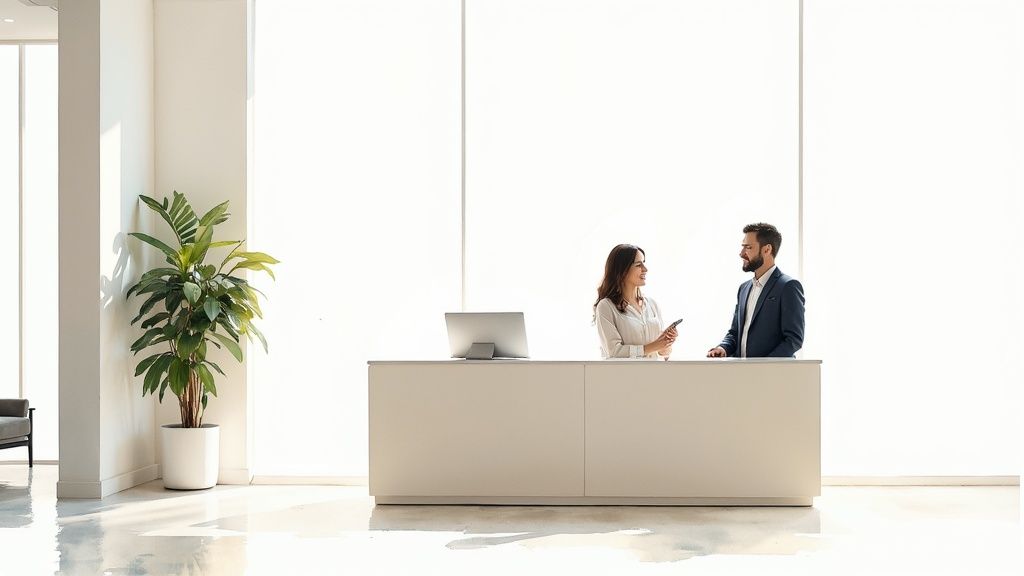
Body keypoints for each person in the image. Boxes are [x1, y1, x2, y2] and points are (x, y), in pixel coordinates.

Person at [707, 223, 805, 358]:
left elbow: (794, 340)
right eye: (743, 247)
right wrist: (723, 348)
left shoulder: (788, 286)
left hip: (772, 375)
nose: (741, 254)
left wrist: (763, 367)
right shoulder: (744, 288)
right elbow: (735, 333)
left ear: (767, 249)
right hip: (741, 374)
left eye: (748, 247)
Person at [594, 244, 677, 359]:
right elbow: (614, 352)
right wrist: (653, 346)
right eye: (638, 264)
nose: (645, 269)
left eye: (644, 263)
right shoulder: (606, 307)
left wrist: (665, 344)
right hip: (624, 376)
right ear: (622, 270)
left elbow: (663, 354)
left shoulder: (652, 305)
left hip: (655, 374)